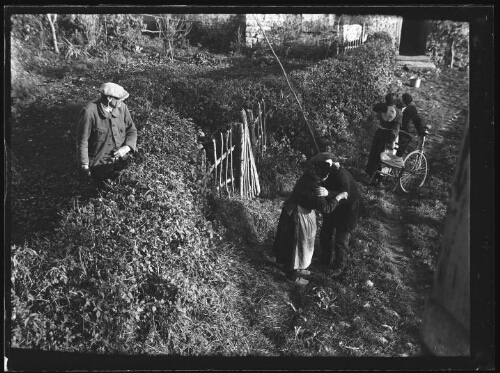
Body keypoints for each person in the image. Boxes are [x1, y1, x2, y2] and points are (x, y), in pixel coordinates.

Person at [273, 156, 348, 286]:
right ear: (324, 177)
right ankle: (291, 276)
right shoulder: (316, 190)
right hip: (297, 216)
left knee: (288, 241)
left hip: (291, 209)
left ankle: (295, 266)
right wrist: (339, 196)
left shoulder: (308, 175)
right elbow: (326, 208)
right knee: (296, 246)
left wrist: (331, 165)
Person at [76, 82, 137, 189]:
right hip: (99, 165)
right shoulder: (89, 112)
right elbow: (82, 140)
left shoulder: (122, 108)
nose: (122, 102)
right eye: (120, 100)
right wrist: (84, 165)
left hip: (121, 163)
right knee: (101, 194)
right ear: (109, 98)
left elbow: (132, 130)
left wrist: (127, 148)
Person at [312, 153, 362, 277]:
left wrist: (328, 193)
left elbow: (345, 194)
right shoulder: (324, 171)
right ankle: (325, 258)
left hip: (348, 210)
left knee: (341, 240)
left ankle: (339, 266)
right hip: (333, 207)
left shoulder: (341, 175)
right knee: (325, 233)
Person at [365, 92, 402, 180]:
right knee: (387, 155)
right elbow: (396, 128)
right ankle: (380, 177)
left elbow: (375, 108)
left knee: (375, 152)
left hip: (380, 132)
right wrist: (392, 141)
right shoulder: (398, 112)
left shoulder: (382, 108)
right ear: (395, 101)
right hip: (389, 135)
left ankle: (371, 173)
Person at [397, 92, 426, 157]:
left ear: (406, 103)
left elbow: (417, 121)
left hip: (402, 130)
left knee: (403, 142)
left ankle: (398, 156)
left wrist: (421, 131)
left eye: (402, 102)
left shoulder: (411, 109)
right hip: (392, 128)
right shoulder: (396, 104)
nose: (401, 103)